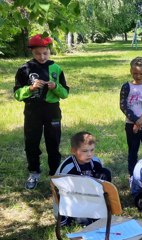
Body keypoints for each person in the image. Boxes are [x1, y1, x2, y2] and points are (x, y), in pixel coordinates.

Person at [13, 34, 69, 190]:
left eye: (45, 53)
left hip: (52, 111)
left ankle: (55, 174)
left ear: (49, 51)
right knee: (31, 143)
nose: (42, 56)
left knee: (53, 142)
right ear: (32, 52)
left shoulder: (56, 68)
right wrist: (30, 88)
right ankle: (34, 172)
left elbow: (65, 93)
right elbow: (17, 94)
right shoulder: (24, 69)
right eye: (38, 53)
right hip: (32, 112)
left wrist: (55, 87)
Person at [55, 131, 112, 226]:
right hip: (71, 201)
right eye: (85, 151)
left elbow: (103, 183)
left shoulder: (96, 162)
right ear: (73, 150)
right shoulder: (68, 169)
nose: (89, 154)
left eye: (92, 150)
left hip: (88, 197)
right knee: (84, 220)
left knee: (105, 172)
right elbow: (61, 195)